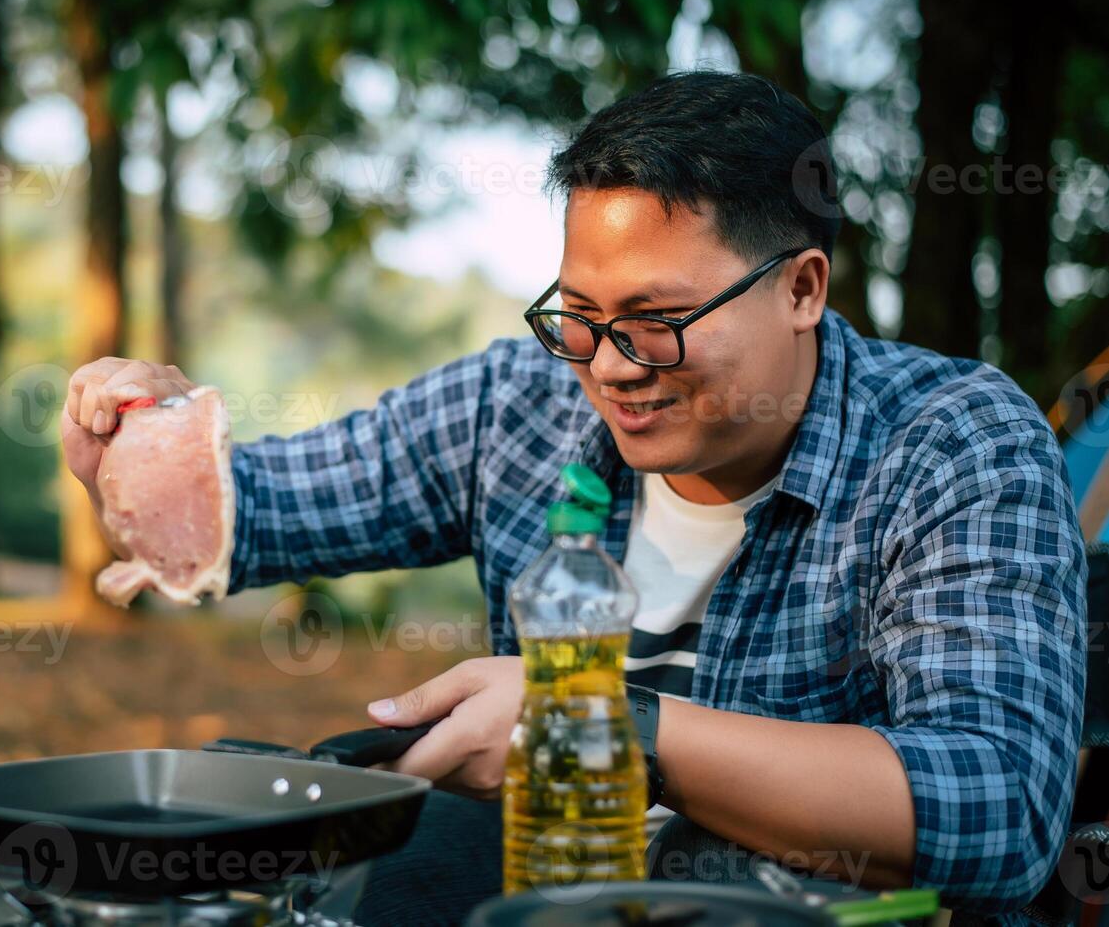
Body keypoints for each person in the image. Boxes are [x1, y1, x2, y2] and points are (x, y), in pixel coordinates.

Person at [62, 71, 1086, 926]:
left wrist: (595, 722)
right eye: (581, 314)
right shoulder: (516, 406)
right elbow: (252, 507)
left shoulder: (954, 441)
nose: (609, 365)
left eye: (657, 317)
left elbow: (999, 808)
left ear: (803, 288)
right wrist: (137, 437)